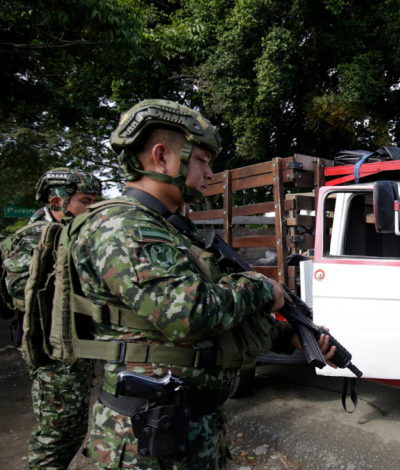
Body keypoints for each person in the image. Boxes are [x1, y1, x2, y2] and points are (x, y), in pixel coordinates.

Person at [63, 99, 337, 469]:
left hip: (188, 426)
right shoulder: (124, 227)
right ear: (162, 157)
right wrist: (260, 287)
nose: (209, 172)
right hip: (149, 437)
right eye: (202, 160)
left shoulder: (169, 228)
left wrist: (289, 337)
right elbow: (186, 315)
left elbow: (220, 317)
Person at [0, 168, 101, 470]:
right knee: (56, 434)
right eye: (85, 201)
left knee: (72, 429)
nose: (92, 208)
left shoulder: (71, 232)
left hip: (71, 343)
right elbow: (21, 291)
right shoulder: (35, 236)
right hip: (52, 350)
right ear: (58, 201)